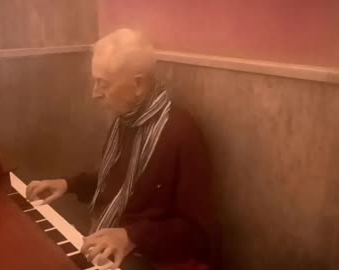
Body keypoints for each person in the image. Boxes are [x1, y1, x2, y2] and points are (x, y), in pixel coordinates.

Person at [26, 28, 217, 270]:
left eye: (103, 84)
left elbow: (196, 233)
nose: (95, 94)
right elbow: (118, 184)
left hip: (152, 257)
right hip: (116, 243)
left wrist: (131, 237)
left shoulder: (182, 133)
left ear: (137, 84)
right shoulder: (126, 119)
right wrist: (69, 184)